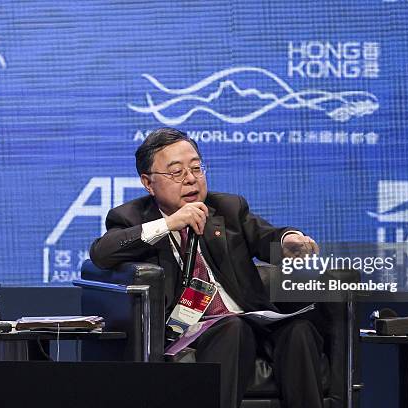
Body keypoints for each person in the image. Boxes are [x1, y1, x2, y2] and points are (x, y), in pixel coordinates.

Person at [90, 127, 326, 408]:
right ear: (148, 183)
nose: (190, 179)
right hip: (188, 328)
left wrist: (290, 242)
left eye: (196, 168)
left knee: (299, 330)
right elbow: (102, 253)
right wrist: (169, 224)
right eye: (176, 172)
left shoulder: (227, 208)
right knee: (234, 329)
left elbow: (267, 236)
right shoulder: (129, 217)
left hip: (250, 318)